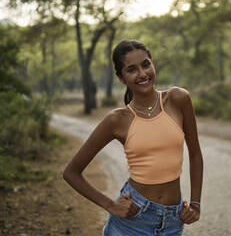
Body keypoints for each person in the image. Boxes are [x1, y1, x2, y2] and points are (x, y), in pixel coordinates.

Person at [63, 40, 204, 235]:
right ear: (121, 78)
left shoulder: (178, 99)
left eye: (146, 64)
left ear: (152, 63)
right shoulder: (117, 120)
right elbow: (71, 172)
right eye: (132, 69)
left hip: (173, 220)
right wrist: (110, 205)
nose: (143, 74)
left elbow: (195, 154)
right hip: (132, 220)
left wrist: (195, 204)